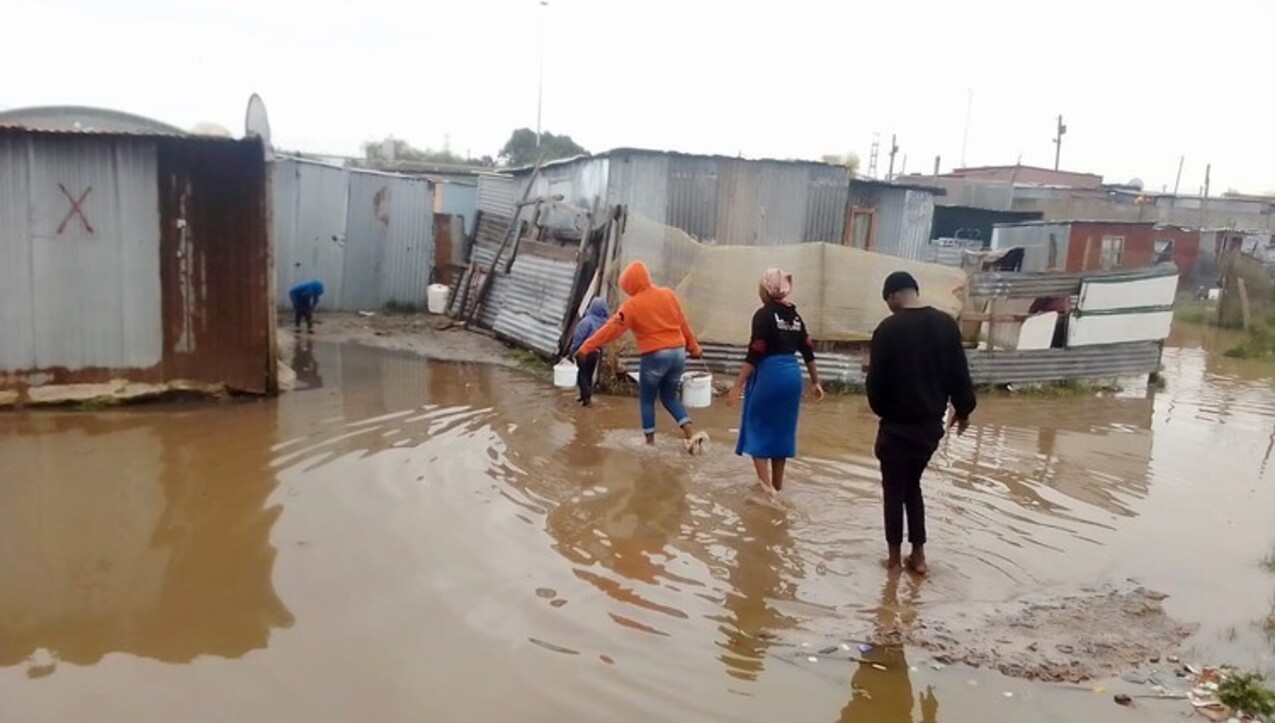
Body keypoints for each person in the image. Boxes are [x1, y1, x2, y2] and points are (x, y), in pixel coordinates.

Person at [866, 271, 976, 575]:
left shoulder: (887, 330)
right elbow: (959, 375)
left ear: (892, 296)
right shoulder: (946, 325)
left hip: (896, 427)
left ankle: (893, 560)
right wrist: (964, 410)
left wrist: (883, 411)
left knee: (894, 491)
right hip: (929, 429)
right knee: (912, 485)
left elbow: (875, 386)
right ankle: (919, 556)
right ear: (914, 290)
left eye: (887, 301)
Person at [577, 261, 709, 455]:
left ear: (630, 285)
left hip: (655, 355)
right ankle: (691, 434)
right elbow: (683, 323)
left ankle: (650, 444)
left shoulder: (632, 305)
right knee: (669, 397)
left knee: (647, 400)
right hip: (678, 353)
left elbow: (611, 329)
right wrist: (694, 347)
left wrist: (586, 347)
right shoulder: (668, 294)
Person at [729, 268, 824, 498]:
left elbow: (755, 353)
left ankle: (766, 489)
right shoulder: (795, 316)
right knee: (781, 432)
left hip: (770, 375)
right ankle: (777, 486)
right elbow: (808, 351)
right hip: (792, 377)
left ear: (766, 290)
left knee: (757, 426)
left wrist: (737, 385)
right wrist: (815, 382)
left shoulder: (763, 315)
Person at [566, 298, 610, 407]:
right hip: (595, 352)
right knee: (589, 375)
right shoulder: (605, 323)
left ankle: (586, 400)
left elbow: (578, 338)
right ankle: (585, 396)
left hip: (583, 352)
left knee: (582, 375)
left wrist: (571, 351)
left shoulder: (586, 322)